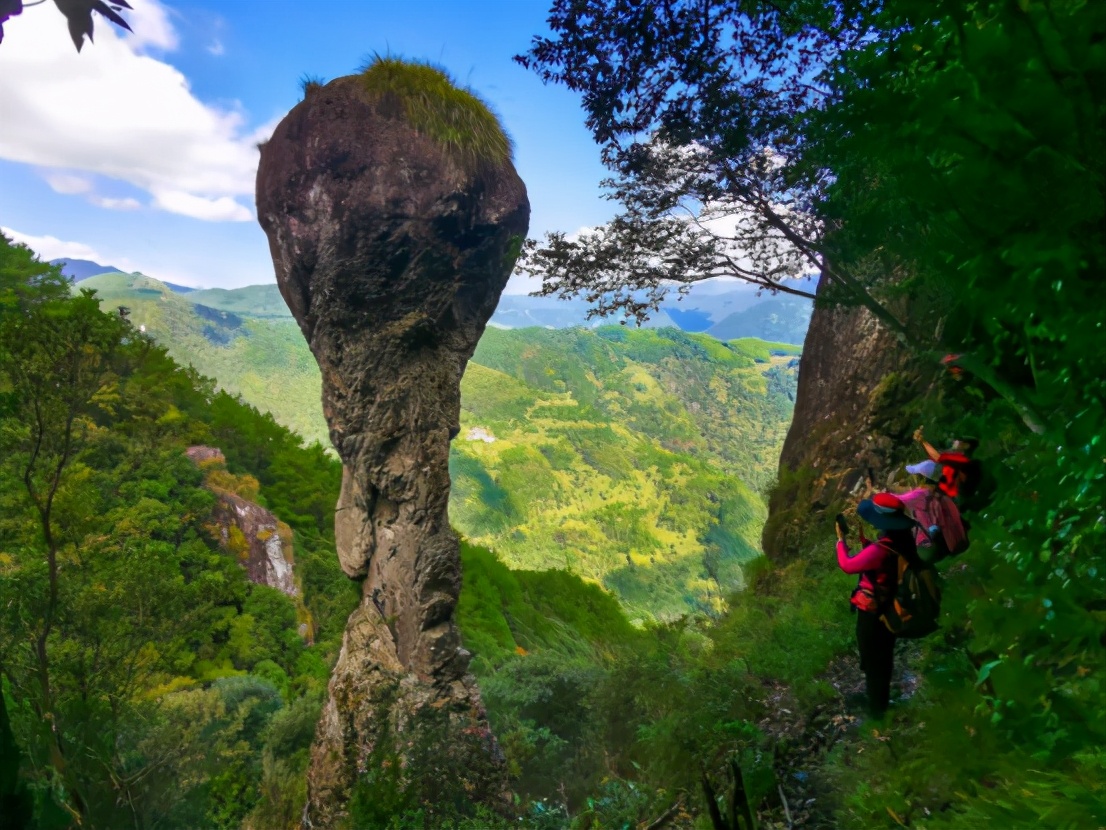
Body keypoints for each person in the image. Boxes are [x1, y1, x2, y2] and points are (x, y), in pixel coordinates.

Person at [835, 492, 918, 717]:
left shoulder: (880, 551)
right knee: (883, 657)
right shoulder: (901, 543)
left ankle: (877, 712)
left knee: (872, 661)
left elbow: (848, 565)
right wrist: (867, 545)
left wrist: (840, 541)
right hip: (890, 608)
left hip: (873, 613)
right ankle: (879, 699)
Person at [897, 460, 968, 561]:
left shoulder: (922, 495)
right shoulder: (945, 495)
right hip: (952, 536)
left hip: (937, 538)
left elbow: (898, 500)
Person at [912, 426, 982, 505]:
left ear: (966, 446)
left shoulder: (961, 460)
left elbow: (938, 457)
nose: (956, 441)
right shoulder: (953, 454)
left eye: (959, 440)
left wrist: (922, 441)